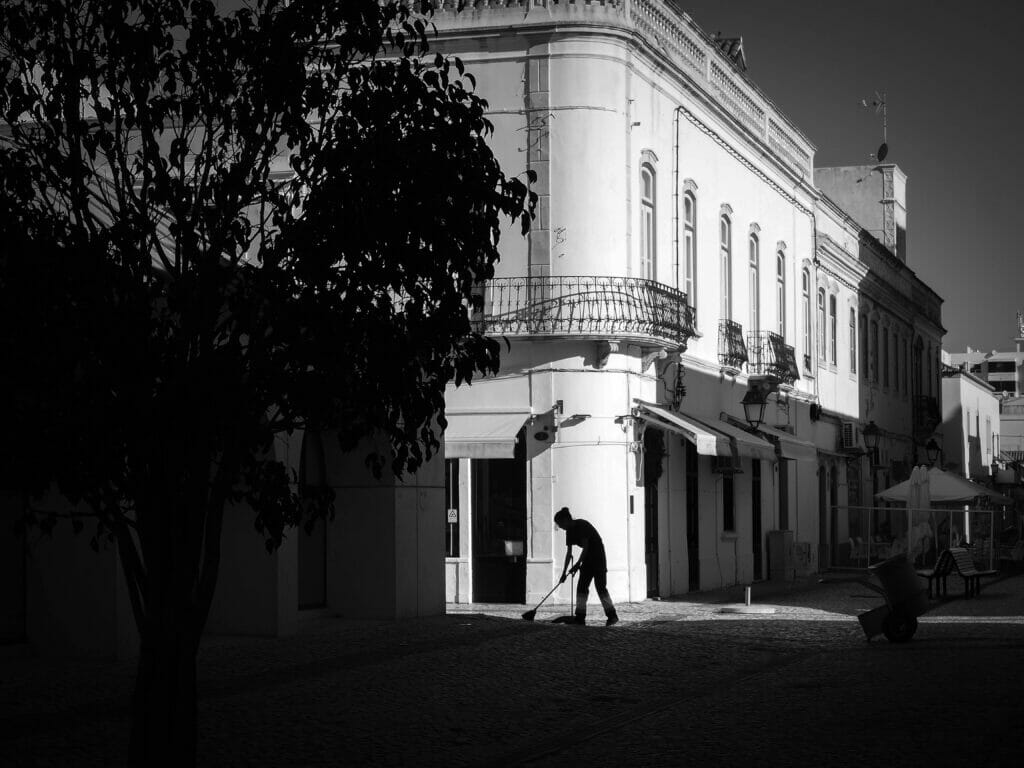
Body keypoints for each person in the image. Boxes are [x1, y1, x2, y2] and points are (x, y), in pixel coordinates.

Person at [555, 506, 618, 626]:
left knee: (600, 587)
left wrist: (578, 564)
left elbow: (586, 546)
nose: (560, 527)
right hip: (587, 559)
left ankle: (612, 616)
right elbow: (569, 554)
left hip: (598, 556)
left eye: (560, 524)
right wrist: (563, 573)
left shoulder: (582, 525)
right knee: (582, 587)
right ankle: (580, 617)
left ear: (566, 520)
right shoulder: (569, 532)